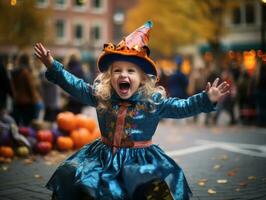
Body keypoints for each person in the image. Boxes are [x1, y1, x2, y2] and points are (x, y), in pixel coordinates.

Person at [34, 21, 230, 200]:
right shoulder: (102, 96)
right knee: (84, 184)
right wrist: (53, 66)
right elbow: (76, 86)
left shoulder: (153, 102)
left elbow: (183, 107)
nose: (123, 74)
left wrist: (206, 99)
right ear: (109, 77)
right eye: (117, 70)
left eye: (130, 71)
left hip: (140, 162)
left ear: (142, 78)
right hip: (103, 158)